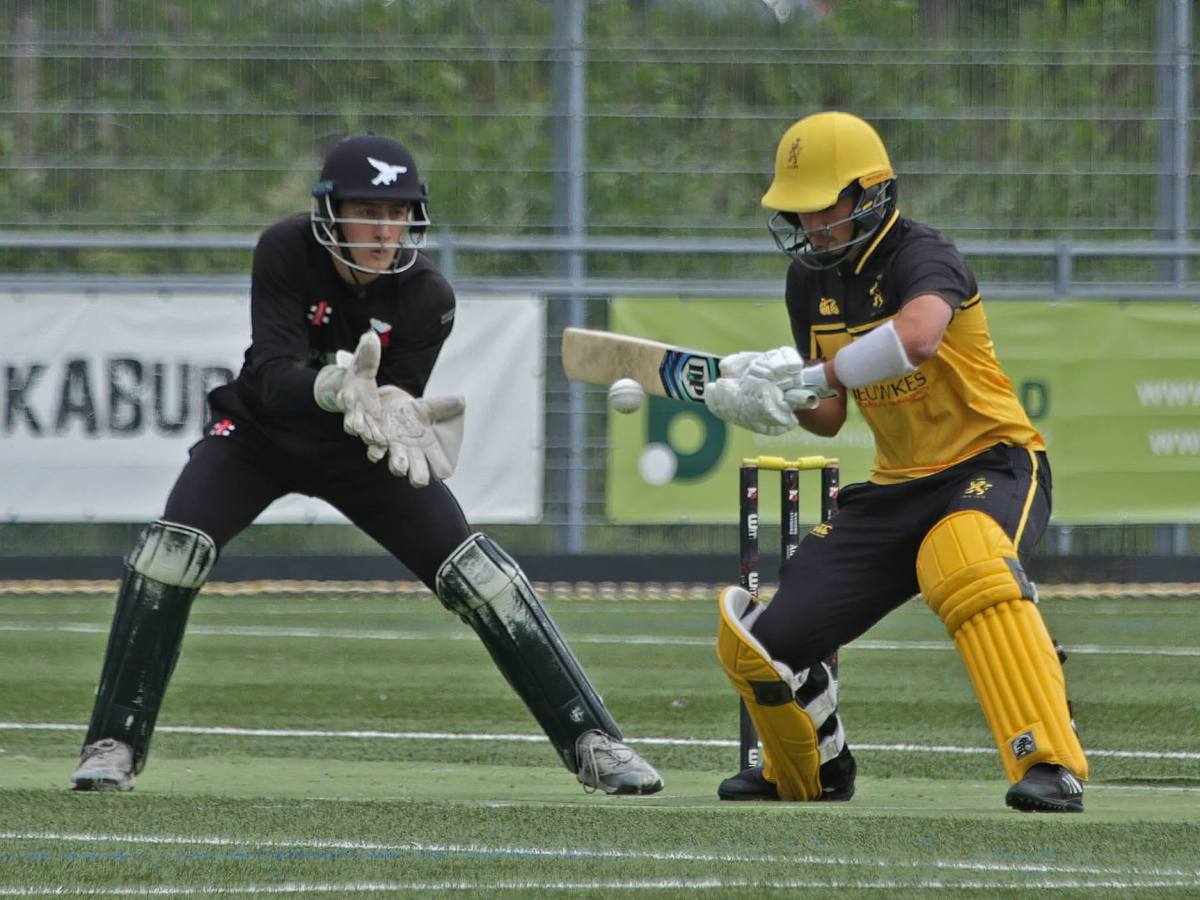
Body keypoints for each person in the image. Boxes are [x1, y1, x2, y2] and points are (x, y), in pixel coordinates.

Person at [69, 134, 663, 797]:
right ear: (331, 211)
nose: (384, 231)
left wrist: (398, 410)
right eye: (368, 212)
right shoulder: (285, 248)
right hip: (259, 436)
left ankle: (593, 741)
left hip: (359, 450)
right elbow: (271, 375)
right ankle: (114, 742)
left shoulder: (428, 296)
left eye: (397, 213)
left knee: (480, 574)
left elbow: (397, 396)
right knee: (168, 554)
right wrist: (333, 386)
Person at [704, 111, 1087, 812]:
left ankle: (1050, 764)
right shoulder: (807, 280)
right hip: (897, 488)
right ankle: (815, 768)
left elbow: (917, 340)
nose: (810, 224)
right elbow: (829, 416)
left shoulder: (922, 254)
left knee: (965, 552)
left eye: (824, 205)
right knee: (764, 642)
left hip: (993, 463)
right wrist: (774, 395)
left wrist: (815, 375)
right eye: (799, 209)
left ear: (871, 191)